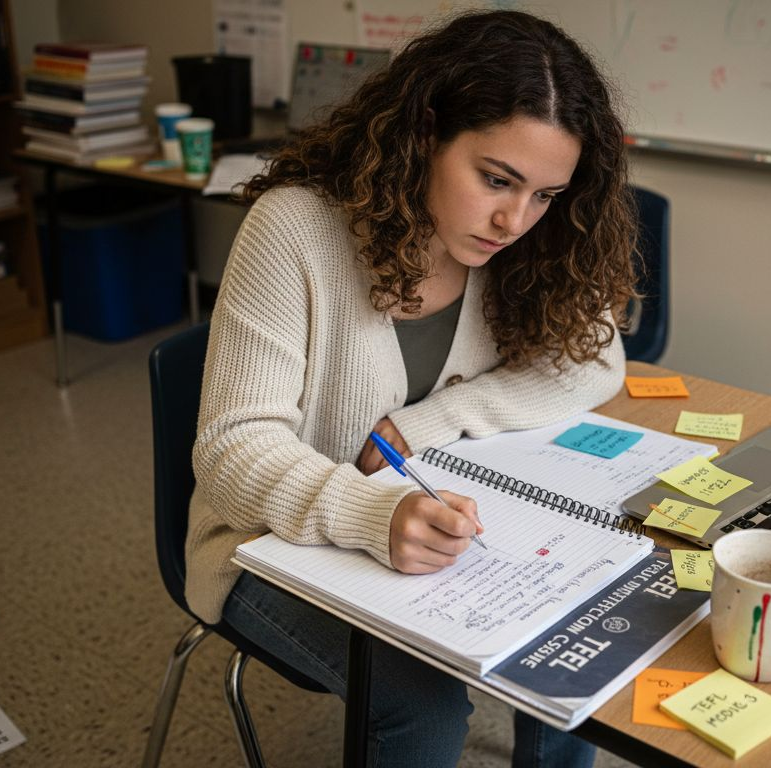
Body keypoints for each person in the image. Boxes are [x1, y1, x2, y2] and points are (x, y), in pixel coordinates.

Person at [187, 9, 638, 767]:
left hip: (425, 526)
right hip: (262, 543)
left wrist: (441, 416)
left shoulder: (521, 247)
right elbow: (232, 450)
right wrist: (371, 511)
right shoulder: (294, 229)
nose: (514, 219)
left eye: (545, 195)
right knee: (422, 704)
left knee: (580, 630)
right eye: (496, 179)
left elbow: (597, 362)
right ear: (425, 133)